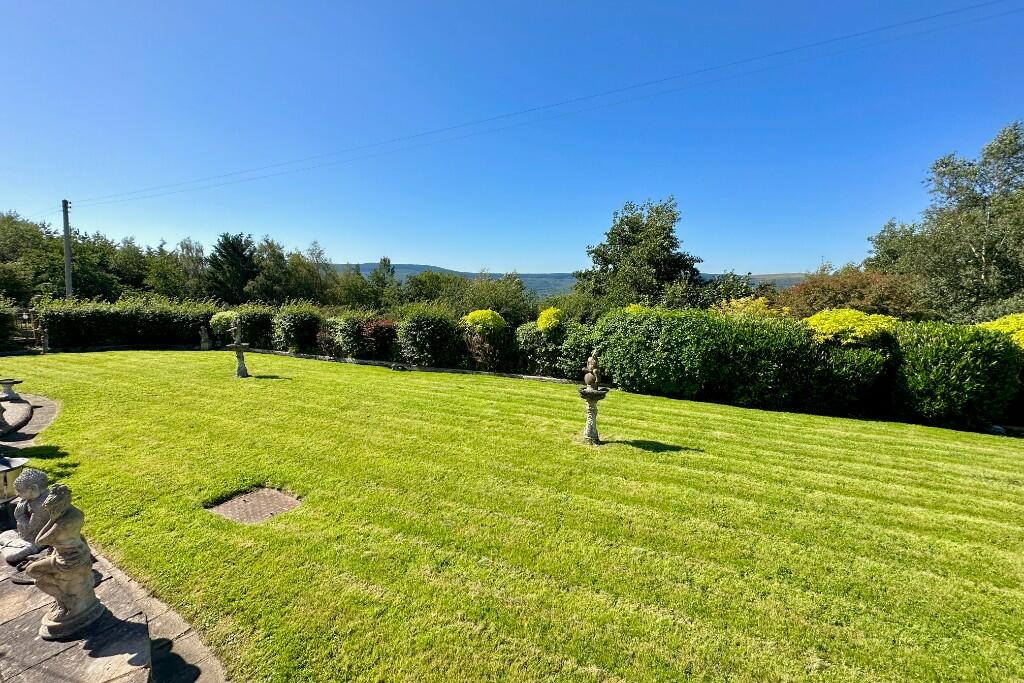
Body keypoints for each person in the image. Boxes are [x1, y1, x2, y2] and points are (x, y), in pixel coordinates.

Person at [0, 468, 49, 564]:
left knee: (11, 557)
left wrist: (20, 515)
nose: (17, 494)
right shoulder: (34, 497)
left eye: (20, 491)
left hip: (38, 539)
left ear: (33, 488)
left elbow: (29, 531)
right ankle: (9, 544)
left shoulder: (41, 506)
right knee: (4, 535)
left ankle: (7, 545)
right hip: (25, 535)